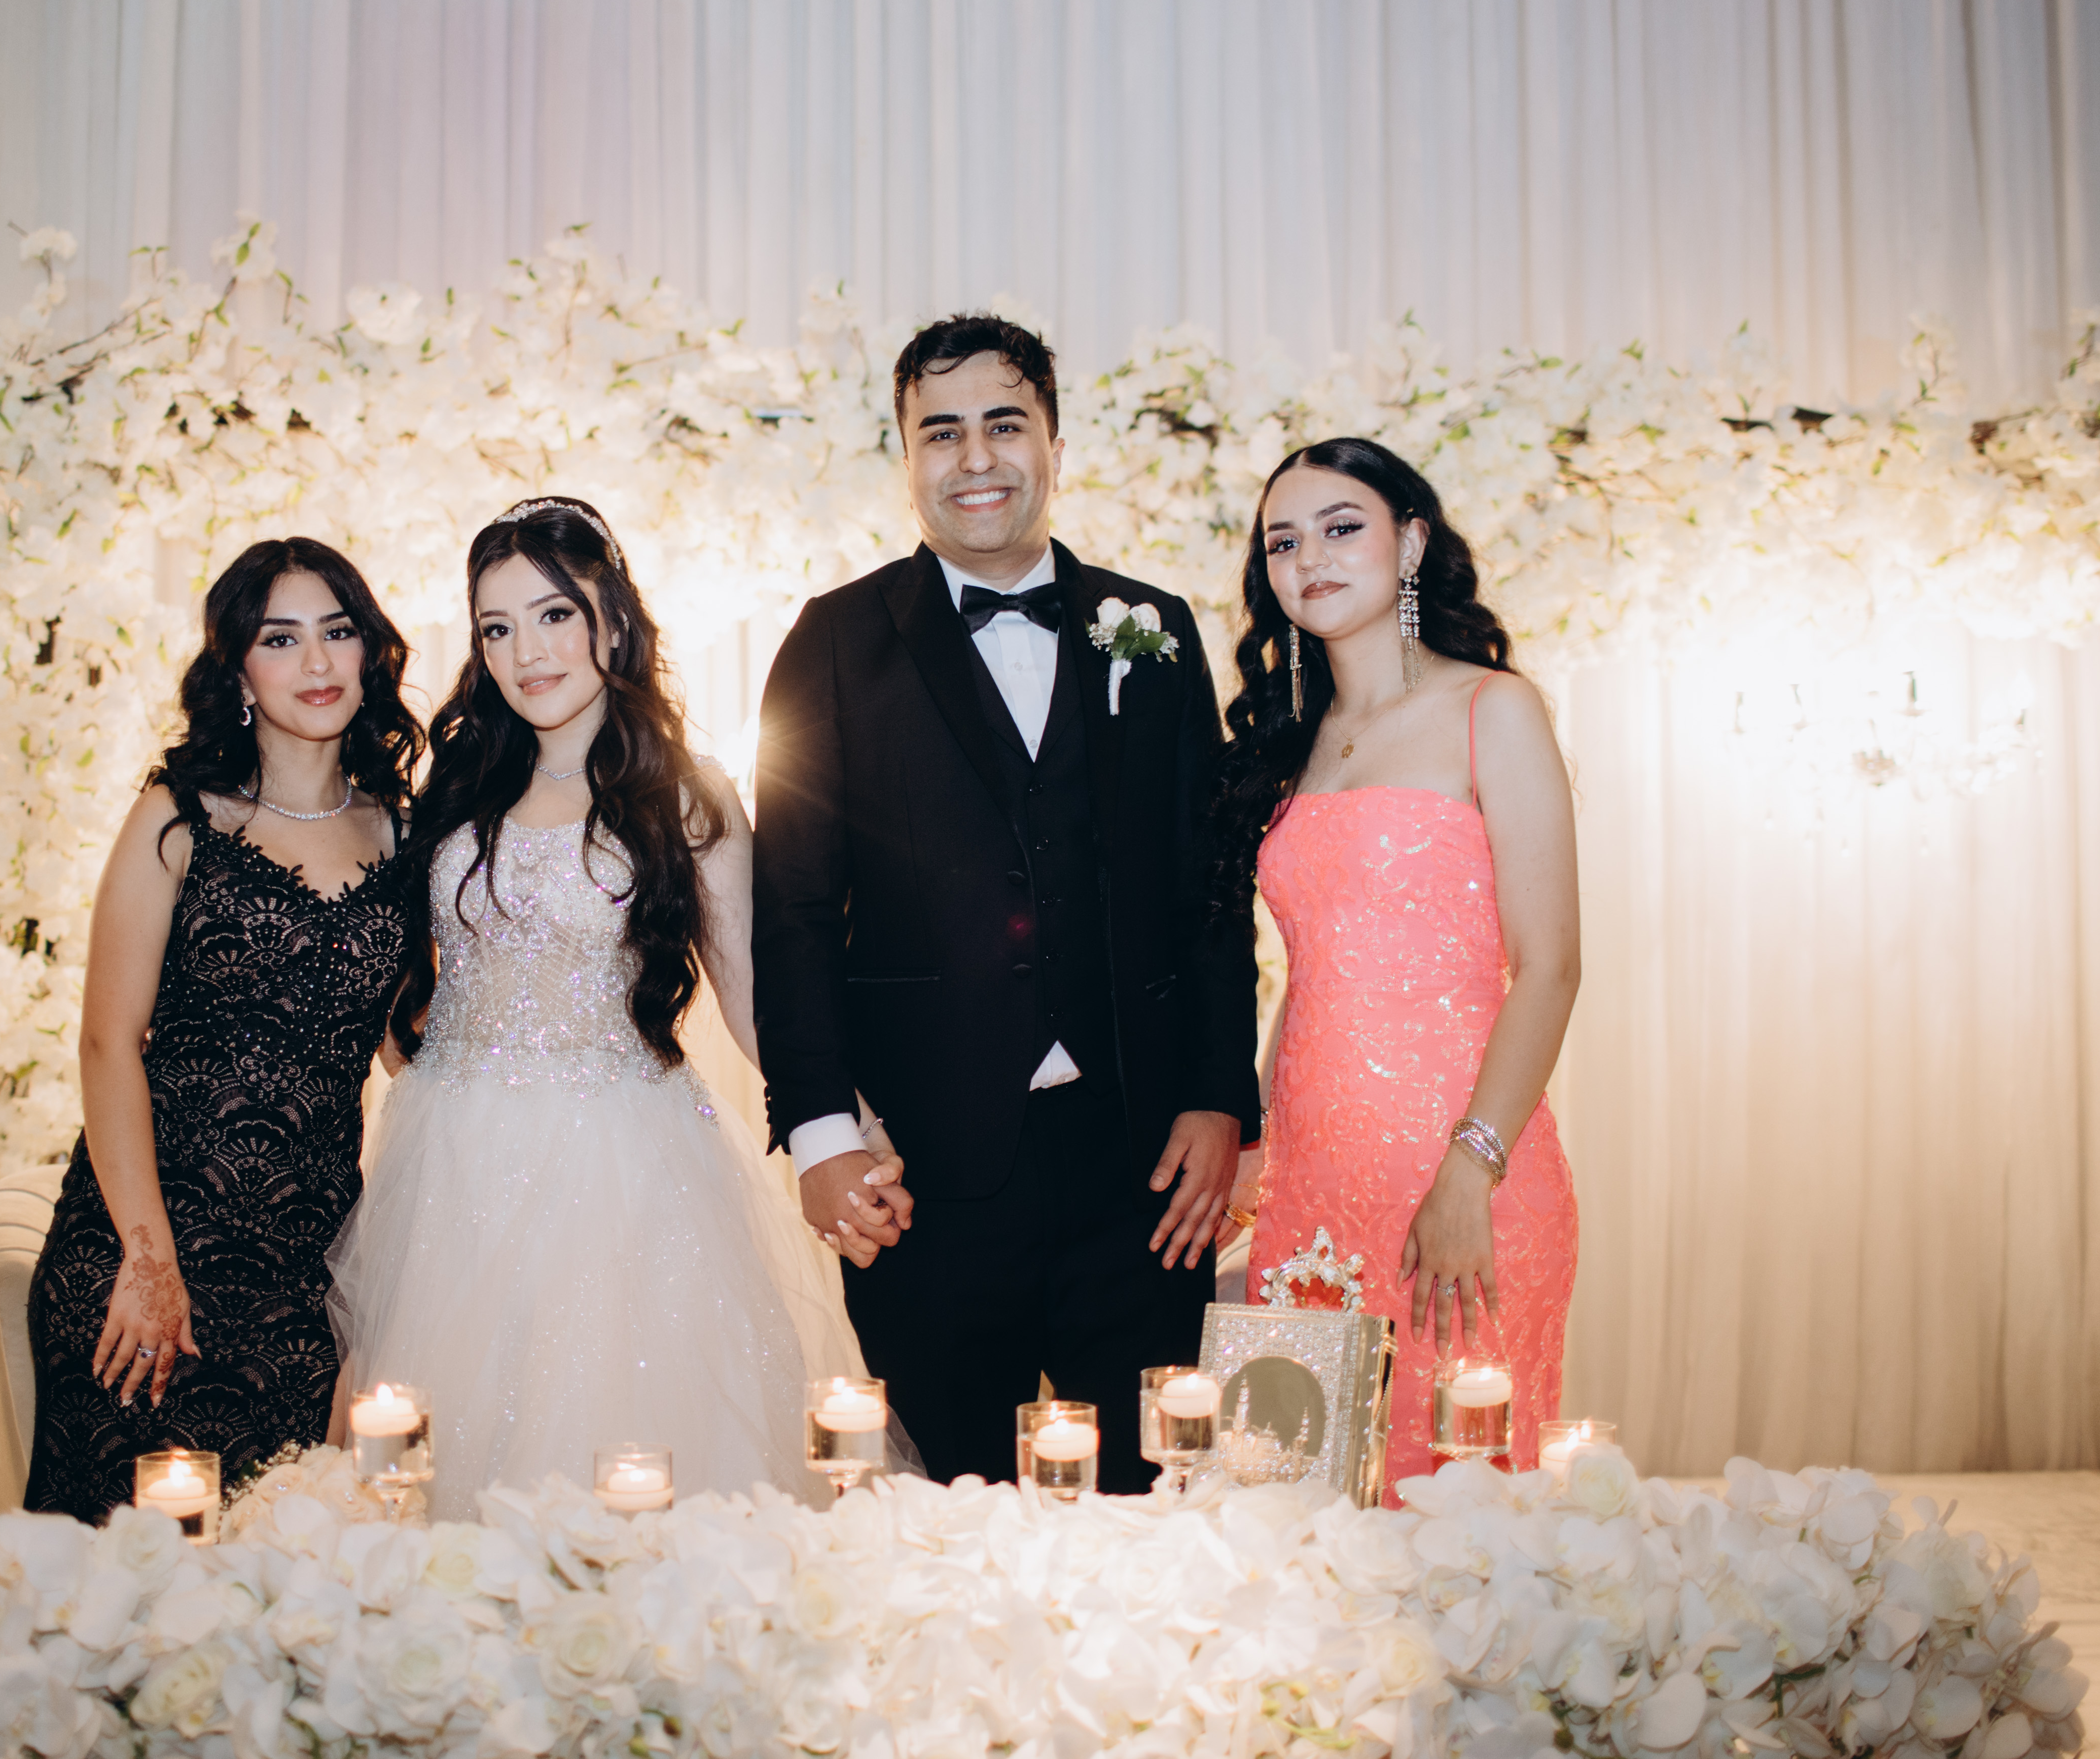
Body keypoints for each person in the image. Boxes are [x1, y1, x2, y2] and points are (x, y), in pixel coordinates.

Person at [751, 315, 1262, 1495]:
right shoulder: (831, 642)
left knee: (1147, 1506)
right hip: (920, 1177)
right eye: (941, 432)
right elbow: (790, 910)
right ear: (905, 459)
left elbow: (1208, 890)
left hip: (1142, 1170)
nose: (974, 458)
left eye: (1003, 425)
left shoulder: (1155, 629)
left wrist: (1218, 1100)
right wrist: (822, 1135)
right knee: (944, 1514)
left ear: (1054, 446)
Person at [327, 498, 880, 1513]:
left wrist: (845, 1121)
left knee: (626, 1455)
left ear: (612, 621)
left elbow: (752, 995)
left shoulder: (686, 794)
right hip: (451, 1162)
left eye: (553, 615)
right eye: (496, 628)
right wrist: (431, 1059)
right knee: (435, 1477)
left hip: (622, 1165)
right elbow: (411, 976)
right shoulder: (458, 780)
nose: (525, 652)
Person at [23, 538, 424, 1522]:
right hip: (144, 1250)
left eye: (337, 632)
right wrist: (148, 1263)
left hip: (308, 1273)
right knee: (123, 1575)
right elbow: (106, 1044)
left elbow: (409, 1048)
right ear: (238, 670)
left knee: (285, 1565)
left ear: (369, 653)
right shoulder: (178, 817)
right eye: (279, 639)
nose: (316, 663)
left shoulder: (406, 834)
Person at [1209, 438, 1581, 1490]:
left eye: (1342, 528)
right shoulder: (1294, 740)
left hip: (1461, 1175)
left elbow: (1550, 967)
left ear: (1411, 543)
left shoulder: (1491, 708)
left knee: (1454, 1513)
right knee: (1299, 1504)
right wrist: (1256, 1143)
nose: (1310, 559)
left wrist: (1469, 1171)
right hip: (1309, 1186)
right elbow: (1313, 976)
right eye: (1284, 542)